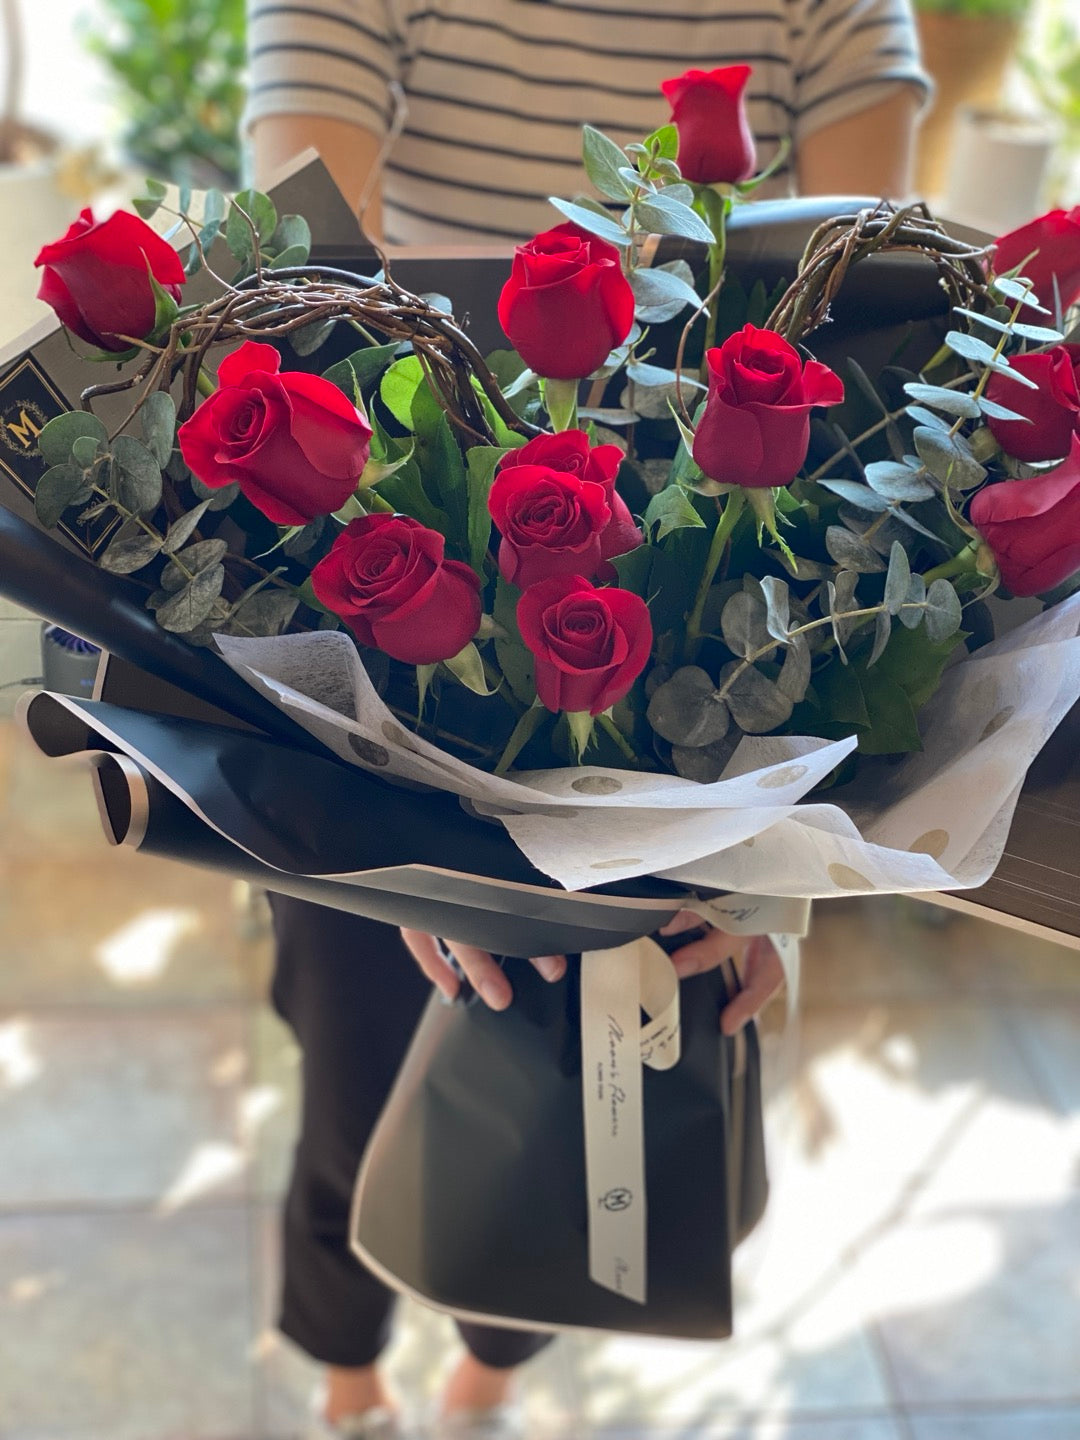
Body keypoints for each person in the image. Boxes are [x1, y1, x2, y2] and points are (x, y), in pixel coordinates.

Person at [246, 4, 929, 1437]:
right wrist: (404, 836)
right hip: (406, 613)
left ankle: (488, 1374)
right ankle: (345, 1379)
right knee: (359, 1065)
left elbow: (881, 331)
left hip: (705, 639)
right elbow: (310, 287)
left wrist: (775, 868)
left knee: (595, 1076)